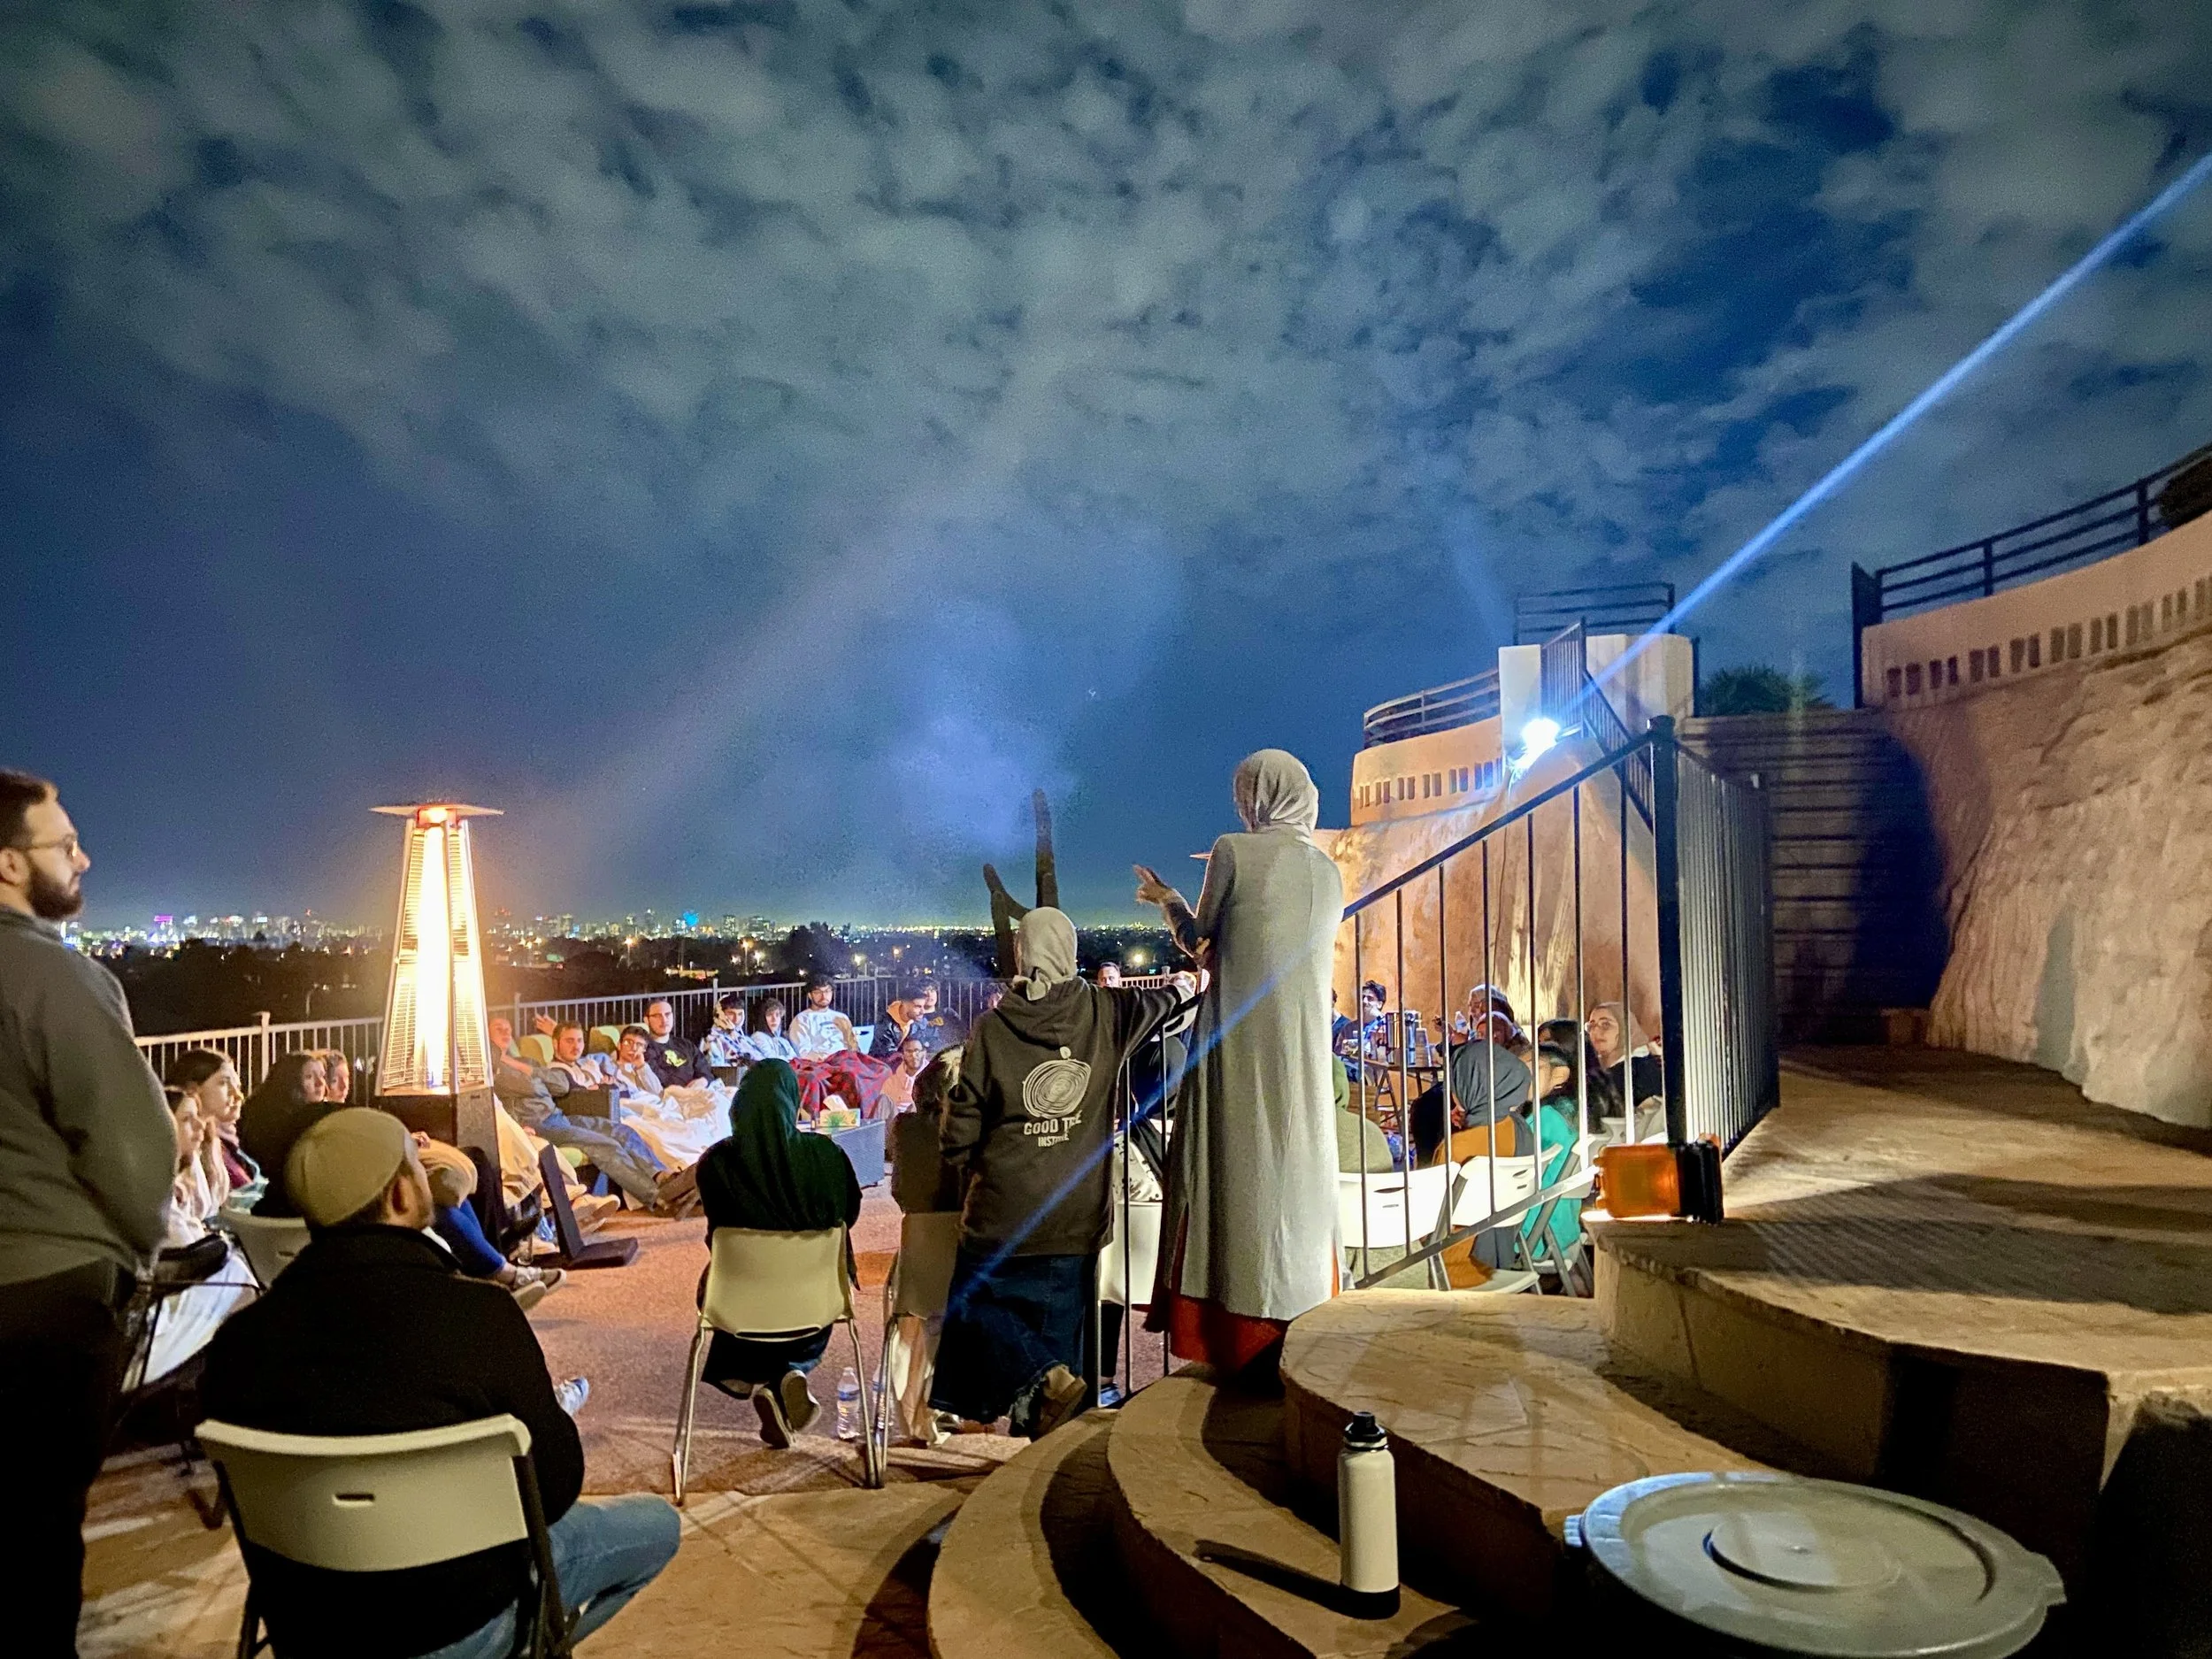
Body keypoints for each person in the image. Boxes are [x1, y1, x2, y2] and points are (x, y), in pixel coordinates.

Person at [202, 1110, 676, 1658]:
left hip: (310, 1629)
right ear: (401, 1195)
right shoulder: (479, 1316)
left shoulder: (238, 1342)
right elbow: (555, 1487)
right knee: (658, 1527)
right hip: (459, 1619)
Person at [0, 771, 178, 1656]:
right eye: (65, 845)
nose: (84, 859)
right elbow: (136, 1153)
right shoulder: (55, 978)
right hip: (44, 1302)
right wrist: (142, 1255)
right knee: (35, 1535)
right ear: (8, 864)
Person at [931, 909, 1185, 1438]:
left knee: (972, 1304)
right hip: (1076, 1213)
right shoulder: (1107, 1011)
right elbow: (1164, 1002)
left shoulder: (993, 1028)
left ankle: (1044, 1377)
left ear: (1022, 953)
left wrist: (963, 1157)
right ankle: (1048, 1422)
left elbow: (961, 1128)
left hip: (1002, 1212)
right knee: (1058, 1345)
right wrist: (1187, 982)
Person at [1136, 749, 1343, 1375]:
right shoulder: (1328, 869)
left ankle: (1233, 1319)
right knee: (1293, 1163)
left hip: (1237, 1036)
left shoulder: (1233, 850)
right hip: (1303, 1043)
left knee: (1228, 1163)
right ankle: (1303, 1305)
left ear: (1255, 796)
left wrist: (1168, 899)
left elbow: (1200, 940)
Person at [693, 1061, 862, 1446]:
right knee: (807, 1303)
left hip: (738, 1294)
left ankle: (765, 1374)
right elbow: (849, 1214)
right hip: (817, 1294)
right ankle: (790, 1369)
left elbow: (715, 1230)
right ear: (793, 1101)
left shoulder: (715, 1163)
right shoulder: (826, 1154)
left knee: (736, 1290)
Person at [495, 1025, 671, 1211]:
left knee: (621, 1130)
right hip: (538, 1125)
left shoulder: (526, 1061)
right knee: (606, 1145)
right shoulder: (495, 1072)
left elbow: (561, 1085)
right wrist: (532, 1077)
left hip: (558, 1116)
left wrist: (518, 1066)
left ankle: (662, 1177)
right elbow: (530, 1088)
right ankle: (658, 1198)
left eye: (508, 1029)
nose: (507, 1033)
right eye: (499, 1030)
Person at [236, 1050, 332, 1217]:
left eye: (322, 1076)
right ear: (291, 1084)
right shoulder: (287, 1121)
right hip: (282, 1208)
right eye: (309, 1077)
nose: (320, 1083)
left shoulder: (260, 1109)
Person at [169, 1048, 257, 1196]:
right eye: (223, 1083)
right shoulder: (181, 1143)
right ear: (193, 1089)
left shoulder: (214, 1140)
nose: (238, 1096)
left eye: (238, 1087)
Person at [641, 999, 713, 1087]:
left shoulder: (686, 1045)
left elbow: (705, 1070)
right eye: (657, 1016)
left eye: (667, 1014)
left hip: (698, 1091)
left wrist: (703, 1081)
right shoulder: (643, 1049)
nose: (664, 1020)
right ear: (646, 1020)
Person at [790, 979, 860, 1057]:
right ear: (810, 995)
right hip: (822, 1061)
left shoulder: (842, 1017)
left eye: (827, 991)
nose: (823, 996)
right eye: (818, 992)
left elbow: (854, 1046)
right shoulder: (802, 1019)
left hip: (846, 1058)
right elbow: (803, 1052)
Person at [869, 981, 929, 1060]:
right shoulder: (885, 1024)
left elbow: (923, 1046)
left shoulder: (920, 1022)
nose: (923, 1011)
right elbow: (889, 1055)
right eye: (918, 1007)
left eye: (924, 1007)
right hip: (881, 1064)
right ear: (904, 1005)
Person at [878, 1035, 929, 1111]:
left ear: (924, 1053)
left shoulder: (935, 1078)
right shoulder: (891, 1083)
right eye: (909, 1051)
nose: (913, 1055)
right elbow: (883, 1111)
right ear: (902, 1055)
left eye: (917, 1051)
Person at [702, 995, 751, 1069]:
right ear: (721, 1014)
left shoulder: (741, 1037)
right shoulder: (712, 1039)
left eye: (740, 1014)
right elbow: (715, 1069)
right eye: (731, 1014)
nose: (736, 1019)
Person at [744, 997, 798, 1061]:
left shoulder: (782, 1038)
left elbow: (795, 1058)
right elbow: (771, 1059)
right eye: (769, 1015)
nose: (774, 1019)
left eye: (777, 1015)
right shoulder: (758, 1037)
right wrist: (790, 1060)